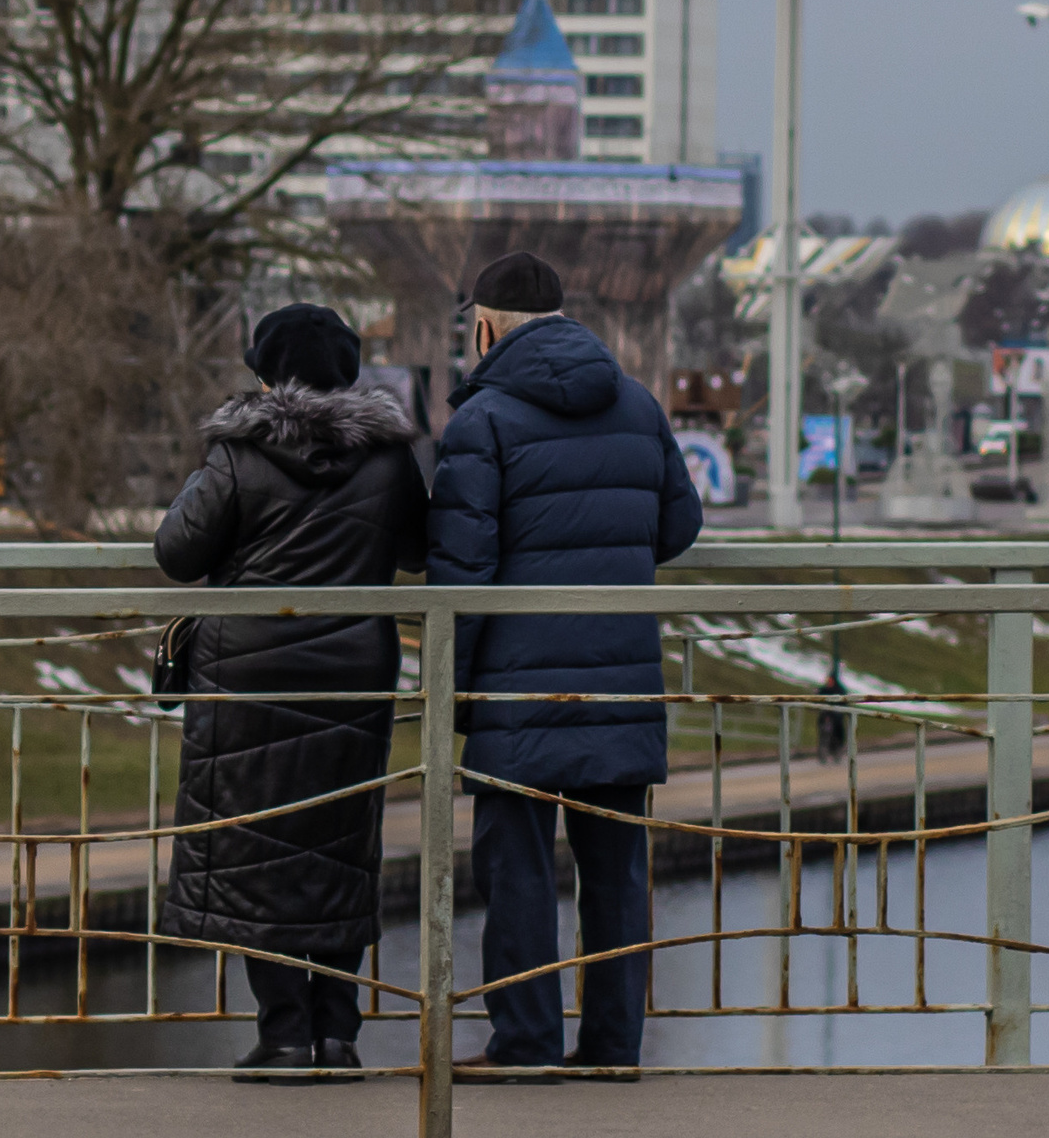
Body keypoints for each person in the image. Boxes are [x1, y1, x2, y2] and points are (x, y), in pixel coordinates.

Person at [428, 253, 702, 1083]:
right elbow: (679, 525)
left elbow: (460, 575)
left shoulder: (484, 420)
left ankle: (527, 1043)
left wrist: (457, 696)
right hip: (621, 681)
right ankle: (615, 1047)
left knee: (515, 873)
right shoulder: (638, 402)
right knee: (616, 873)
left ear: (485, 327)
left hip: (519, 687)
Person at [153, 303, 429, 1086]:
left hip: (247, 680)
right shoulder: (388, 458)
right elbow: (414, 547)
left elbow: (178, 552)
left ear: (265, 372)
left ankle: (283, 1035)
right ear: (348, 372)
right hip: (353, 677)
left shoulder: (240, 452)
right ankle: (338, 1036)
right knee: (340, 846)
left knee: (254, 847)